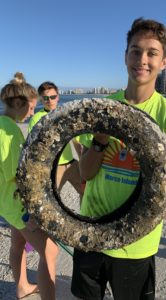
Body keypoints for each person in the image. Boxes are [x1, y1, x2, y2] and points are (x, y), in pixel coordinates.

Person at [71, 18, 166, 300]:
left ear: (164, 62)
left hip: (137, 245)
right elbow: (85, 173)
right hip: (90, 233)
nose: (142, 59)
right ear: (125, 55)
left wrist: (144, 222)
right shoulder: (103, 109)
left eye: (152, 53)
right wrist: (100, 141)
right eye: (135, 50)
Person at [0, 72, 58, 300]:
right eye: (32, 107)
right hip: (17, 205)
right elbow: (18, 177)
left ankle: (23, 286)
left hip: (5, 201)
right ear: (17, 103)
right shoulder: (10, 132)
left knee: (18, 242)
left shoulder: (3, 125)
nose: (33, 112)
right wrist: (32, 210)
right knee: (49, 251)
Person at [28, 81, 82, 194]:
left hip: (72, 163)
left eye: (53, 97)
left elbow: (75, 140)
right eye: (46, 98)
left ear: (58, 97)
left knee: (85, 192)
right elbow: (32, 147)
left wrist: (82, 159)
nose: (50, 101)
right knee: (52, 201)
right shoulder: (36, 118)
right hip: (53, 167)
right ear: (41, 99)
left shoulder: (66, 114)